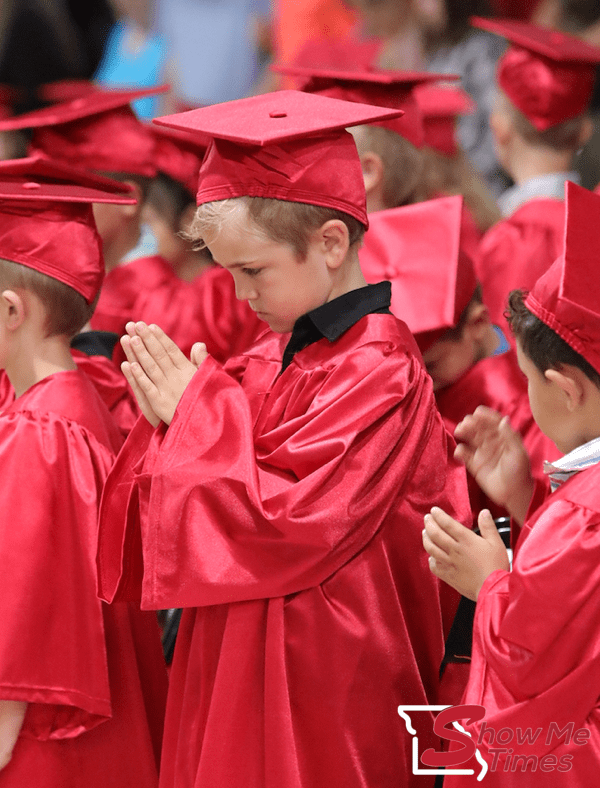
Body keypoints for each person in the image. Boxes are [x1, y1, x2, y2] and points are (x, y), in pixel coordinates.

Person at [97, 89, 471, 788]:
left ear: (331, 244)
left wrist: (196, 417)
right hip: (244, 656)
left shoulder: (381, 370)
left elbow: (290, 521)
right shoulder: (272, 358)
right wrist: (168, 424)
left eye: (254, 271)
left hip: (325, 682)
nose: (242, 297)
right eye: (230, 274)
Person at [422, 181, 600, 784]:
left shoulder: (588, 512)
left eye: (527, 377)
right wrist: (525, 496)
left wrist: (489, 582)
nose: (523, 391)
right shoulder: (583, 498)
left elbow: (533, 658)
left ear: (567, 387)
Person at [0, 162, 167, 786]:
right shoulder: (80, 403)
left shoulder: (38, 435)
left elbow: (14, 611)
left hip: (38, 741)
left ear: (11, 310)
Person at [473, 17, 600, 330]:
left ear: (499, 129)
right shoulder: (591, 218)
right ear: (584, 132)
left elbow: (508, 358)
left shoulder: (513, 238)